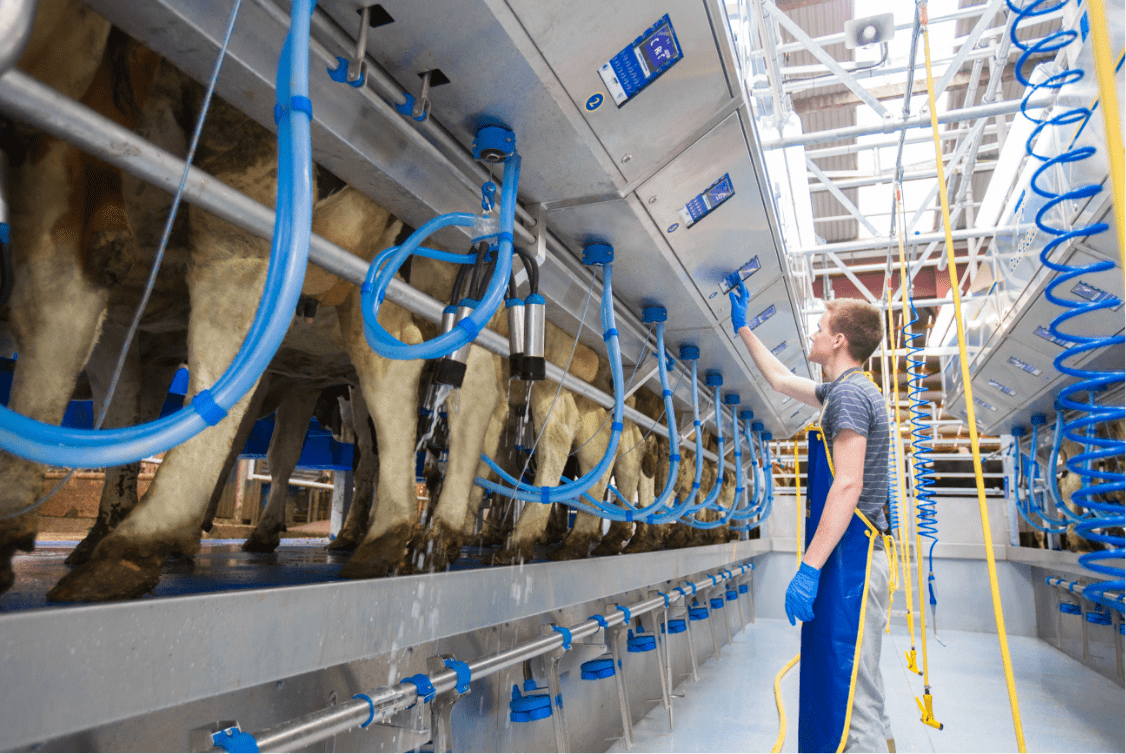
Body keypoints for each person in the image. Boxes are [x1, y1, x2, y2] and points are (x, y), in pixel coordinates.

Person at [730, 282, 892, 754]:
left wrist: (809, 567)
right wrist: (743, 328)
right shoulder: (845, 391)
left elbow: (848, 484)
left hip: (852, 567)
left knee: (851, 702)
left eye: (821, 328)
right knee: (860, 687)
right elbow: (780, 380)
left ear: (840, 340)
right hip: (854, 563)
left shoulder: (848, 397)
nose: (814, 335)